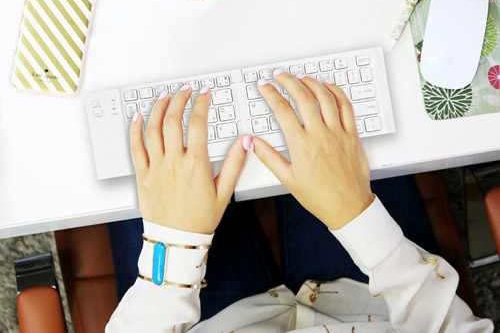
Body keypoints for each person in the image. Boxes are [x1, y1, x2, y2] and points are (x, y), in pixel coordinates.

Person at [105, 72, 494, 332]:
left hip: (213, 320)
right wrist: (357, 214)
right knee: (323, 88)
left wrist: (173, 247)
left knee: (134, 131)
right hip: (372, 302)